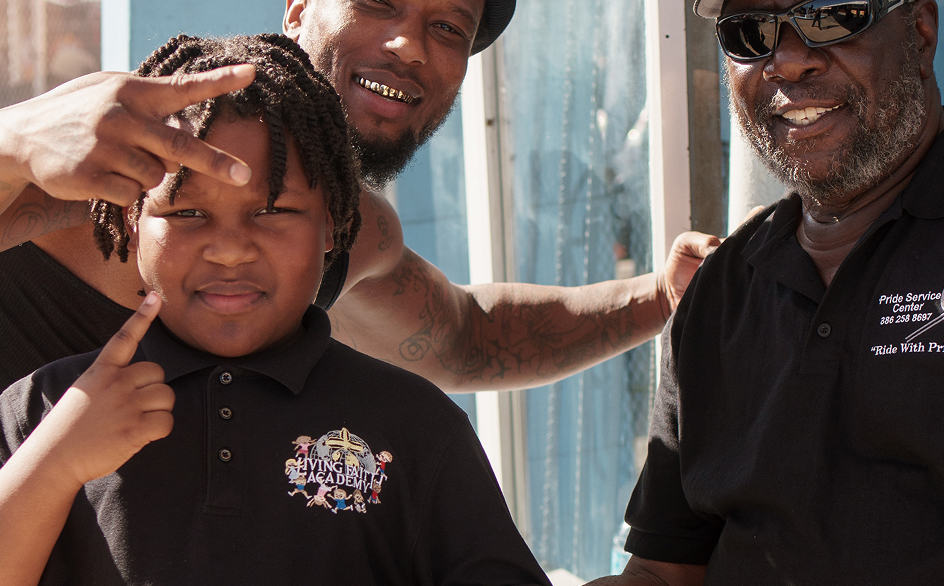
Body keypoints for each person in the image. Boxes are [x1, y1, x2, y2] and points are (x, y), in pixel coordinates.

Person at [0, 0, 718, 394]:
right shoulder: (137, 144)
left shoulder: (352, 234)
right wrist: (17, 139)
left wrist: (659, 297)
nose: (408, 46)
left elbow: (468, 340)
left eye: (446, 30)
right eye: (375, 2)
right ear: (297, 9)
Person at [0, 34, 550, 586]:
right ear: (129, 220)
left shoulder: (415, 426)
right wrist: (57, 462)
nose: (232, 247)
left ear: (333, 223)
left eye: (273, 208)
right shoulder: (45, 408)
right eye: (188, 211)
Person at [591, 0, 944, 586]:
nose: (788, 59)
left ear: (923, 29)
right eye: (751, 34)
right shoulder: (722, 292)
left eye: (836, 16)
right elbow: (665, 571)